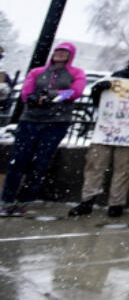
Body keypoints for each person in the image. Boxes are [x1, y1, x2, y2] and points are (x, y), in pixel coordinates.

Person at [68, 47, 129, 218]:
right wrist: (98, 91)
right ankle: (87, 201)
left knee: (123, 169)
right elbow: (100, 102)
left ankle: (116, 203)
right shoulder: (117, 76)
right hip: (107, 130)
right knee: (94, 166)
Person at [2, 42, 86, 216]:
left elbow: (75, 92)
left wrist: (52, 98)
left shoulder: (76, 73)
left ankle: (25, 200)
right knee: (19, 160)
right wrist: (34, 97)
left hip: (56, 121)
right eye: (58, 51)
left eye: (65, 52)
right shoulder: (37, 72)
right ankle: (7, 199)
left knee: (41, 162)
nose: (61, 55)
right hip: (30, 120)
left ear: (71, 56)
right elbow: (26, 92)